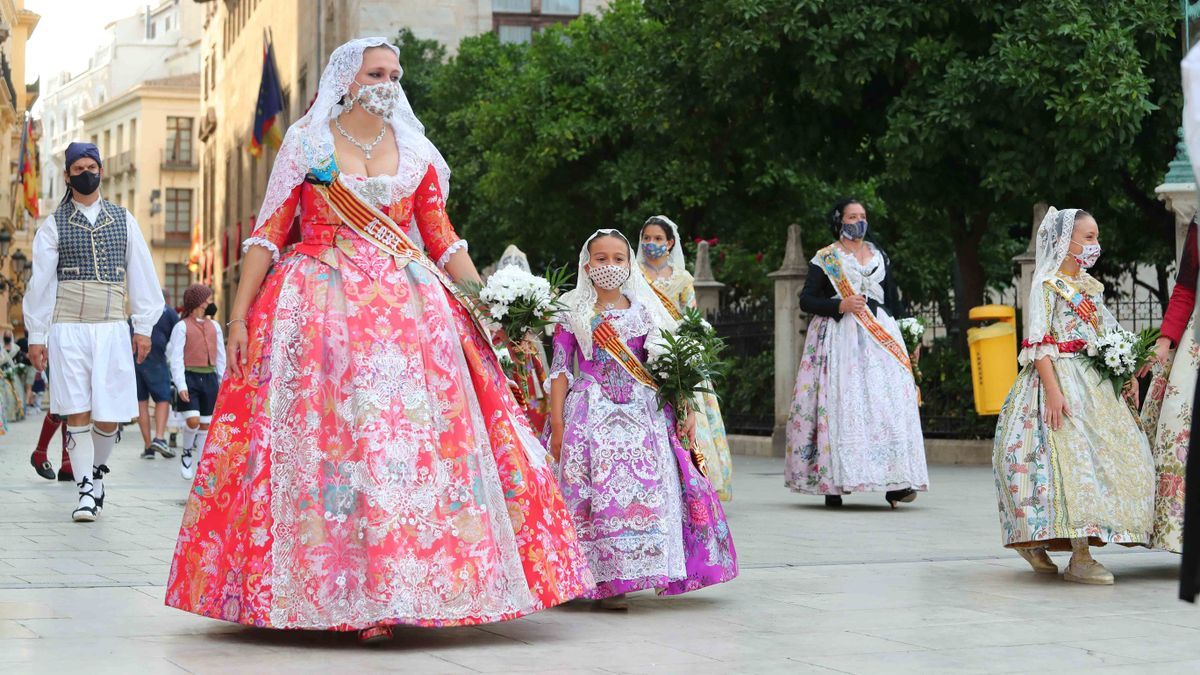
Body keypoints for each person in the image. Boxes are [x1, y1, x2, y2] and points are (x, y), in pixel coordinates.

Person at [164, 38, 592, 641]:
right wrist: (238, 318)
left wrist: (494, 304)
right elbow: (266, 235)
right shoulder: (307, 145)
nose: (388, 82)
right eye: (376, 72)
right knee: (335, 446)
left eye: (395, 73)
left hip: (409, 314)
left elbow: (443, 241)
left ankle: (409, 587)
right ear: (348, 78)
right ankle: (336, 591)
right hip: (318, 310)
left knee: (403, 447)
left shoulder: (415, 151)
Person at [547, 229, 737, 610]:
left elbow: (669, 368)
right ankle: (590, 578)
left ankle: (629, 575)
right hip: (589, 414)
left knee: (645, 493)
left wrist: (684, 410)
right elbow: (559, 371)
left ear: (629, 264)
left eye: (619, 259)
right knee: (590, 495)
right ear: (587, 265)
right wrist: (557, 426)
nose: (610, 266)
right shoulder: (573, 311)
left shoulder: (647, 311)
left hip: (644, 416)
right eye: (601, 259)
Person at [992, 207, 1154, 585]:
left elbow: (1105, 335)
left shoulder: (1088, 287)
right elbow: (1039, 341)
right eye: (1089, 237)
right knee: (1069, 461)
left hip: (1091, 378)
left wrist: (1126, 371)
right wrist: (1053, 393)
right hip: (1058, 378)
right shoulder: (1047, 285)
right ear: (1066, 243)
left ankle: (1079, 545)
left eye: (1096, 237)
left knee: (1108, 460)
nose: (1096, 245)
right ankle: (1073, 554)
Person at [23, 141, 163, 522]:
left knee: (109, 416)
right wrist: (37, 335)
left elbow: (142, 275)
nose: (87, 173)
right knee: (77, 410)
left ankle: (97, 474)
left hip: (112, 328)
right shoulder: (52, 225)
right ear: (68, 175)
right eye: (79, 167)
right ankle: (85, 489)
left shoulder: (123, 220)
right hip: (67, 328)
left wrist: (144, 328)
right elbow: (41, 284)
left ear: (101, 170)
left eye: (92, 166)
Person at [784, 199, 928, 508]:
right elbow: (807, 300)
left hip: (881, 339)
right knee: (842, 406)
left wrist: (907, 332)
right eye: (852, 216)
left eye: (862, 216)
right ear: (839, 220)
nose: (858, 221)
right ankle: (833, 484)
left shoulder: (879, 255)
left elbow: (893, 299)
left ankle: (897, 482)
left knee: (888, 406)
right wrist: (839, 305)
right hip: (841, 341)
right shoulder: (826, 258)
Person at [637, 215, 734, 501]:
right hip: (643, 350)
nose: (650, 243)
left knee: (692, 413)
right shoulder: (634, 274)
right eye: (646, 238)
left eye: (657, 239)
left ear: (669, 243)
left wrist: (690, 340)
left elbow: (690, 313)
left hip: (675, 351)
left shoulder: (682, 278)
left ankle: (698, 476)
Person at [166, 284, 225, 480]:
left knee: (205, 425)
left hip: (209, 379)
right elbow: (175, 358)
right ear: (199, 302)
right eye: (207, 298)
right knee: (192, 421)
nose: (210, 301)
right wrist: (181, 385)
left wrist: (223, 381)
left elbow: (220, 357)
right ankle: (186, 452)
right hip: (190, 378)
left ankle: (201, 465)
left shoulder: (214, 326)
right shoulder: (181, 327)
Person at [492, 245, 551, 431]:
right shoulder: (495, 296)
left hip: (529, 348)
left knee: (535, 392)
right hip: (504, 349)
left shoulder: (532, 292)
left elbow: (547, 321)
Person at [135, 290, 179, 459]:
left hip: (136, 360)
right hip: (156, 359)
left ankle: (148, 447)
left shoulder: (137, 312)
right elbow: (178, 335)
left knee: (141, 403)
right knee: (163, 399)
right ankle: (159, 437)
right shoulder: (167, 312)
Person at [0, 330, 25, 424]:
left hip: (13, 374)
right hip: (2, 374)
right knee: (4, 395)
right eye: (6, 335)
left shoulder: (16, 348)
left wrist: (20, 368)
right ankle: (5, 415)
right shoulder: (1, 348)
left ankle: (16, 414)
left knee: (15, 394)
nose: (7, 337)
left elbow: (19, 360)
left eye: (8, 335)